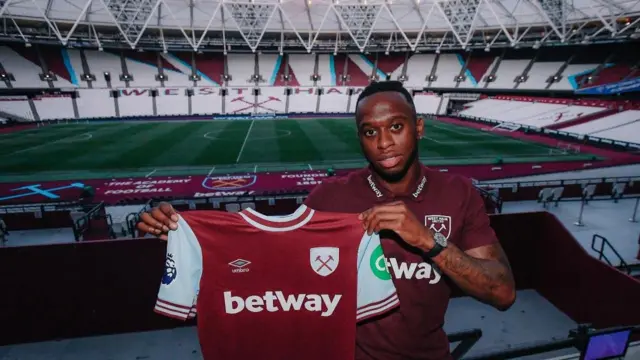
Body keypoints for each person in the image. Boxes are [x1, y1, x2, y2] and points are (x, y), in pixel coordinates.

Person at [138, 81, 516, 360]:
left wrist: (428, 241)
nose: (383, 143)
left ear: (418, 127)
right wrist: (190, 239)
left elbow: (502, 293)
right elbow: (271, 263)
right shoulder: (330, 198)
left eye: (396, 127)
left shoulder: (457, 193)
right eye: (370, 132)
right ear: (359, 138)